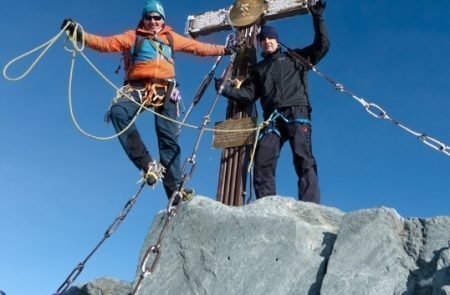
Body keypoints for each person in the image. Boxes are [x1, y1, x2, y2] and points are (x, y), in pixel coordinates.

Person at [62, 0, 233, 202]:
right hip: (138, 86)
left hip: (166, 89)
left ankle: (175, 190)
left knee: (168, 139)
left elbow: (196, 47)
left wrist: (224, 50)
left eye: (157, 17)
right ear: (143, 19)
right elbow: (105, 44)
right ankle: (147, 164)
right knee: (118, 112)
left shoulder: (170, 37)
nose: (153, 21)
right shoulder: (133, 37)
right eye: (149, 17)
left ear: (162, 20)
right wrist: (79, 35)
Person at [216, 0, 329, 204]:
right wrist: (226, 90)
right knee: (262, 160)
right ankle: (266, 205)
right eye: (264, 38)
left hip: (296, 113)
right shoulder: (258, 70)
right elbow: (249, 94)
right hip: (273, 121)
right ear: (260, 43)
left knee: (303, 158)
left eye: (271, 38)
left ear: (277, 41)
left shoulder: (296, 57)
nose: (267, 41)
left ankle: (311, 205)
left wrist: (317, 17)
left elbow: (322, 46)